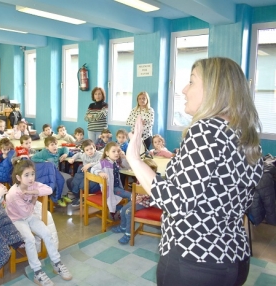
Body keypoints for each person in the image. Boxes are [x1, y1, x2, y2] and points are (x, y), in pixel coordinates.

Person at [126, 57, 264, 286]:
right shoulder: (244, 134)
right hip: (234, 256)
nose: (183, 89)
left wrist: (134, 158)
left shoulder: (206, 129)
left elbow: (175, 202)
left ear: (214, 89)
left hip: (195, 260)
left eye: (191, 82)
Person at [6, 160, 72, 285]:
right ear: (18, 178)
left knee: (47, 233)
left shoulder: (32, 185)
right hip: (16, 220)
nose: (31, 178)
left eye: (32, 174)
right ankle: (37, 272)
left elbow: (49, 190)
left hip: (29, 216)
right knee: (30, 239)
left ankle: (57, 263)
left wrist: (33, 193)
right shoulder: (13, 193)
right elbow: (25, 212)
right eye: (27, 175)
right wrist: (34, 200)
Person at [112, 158, 158, 245]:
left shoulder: (153, 181)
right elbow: (136, 189)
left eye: (151, 171)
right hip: (137, 200)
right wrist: (135, 196)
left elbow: (150, 195)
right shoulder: (140, 178)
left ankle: (128, 234)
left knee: (129, 212)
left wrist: (139, 197)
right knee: (123, 210)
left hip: (145, 203)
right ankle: (123, 227)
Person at [90, 142, 130, 217]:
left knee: (128, 196)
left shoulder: (115, 162)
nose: (116, 153)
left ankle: (118, 211)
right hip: (111, 189)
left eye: (118, 151)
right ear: (107, 153)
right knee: (132, 196)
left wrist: (124, 157)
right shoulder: (104, 162)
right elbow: (93, 169)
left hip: (117, 187)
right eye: (113, 151)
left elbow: (127, 167)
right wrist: (100, 173)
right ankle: (123, 212)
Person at [31, 136, 72, 207]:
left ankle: (63, 195)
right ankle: (58, 198)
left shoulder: (58, 151)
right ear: (47, 147)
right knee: (60, 180)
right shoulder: (43, 153)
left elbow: (65, 148)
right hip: (49, 174)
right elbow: (33, 158)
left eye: (56, 144)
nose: (54, 146)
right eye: (52, 145)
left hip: (56, 171)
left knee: (68, 177)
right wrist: (44, 161)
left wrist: (65, 154)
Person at [66, 139, 102, 207]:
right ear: (84, 151)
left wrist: (90, 164)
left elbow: (102, 162)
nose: (90, 151)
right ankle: (79, 197)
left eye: (91, 148)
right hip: (84, 174)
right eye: (87, 150)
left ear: (95, 148)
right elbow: (78, 154)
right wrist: (73, 158)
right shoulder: (84, 155)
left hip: (95, 177)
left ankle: (80, 197)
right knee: (70, 181)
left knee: (82, 186)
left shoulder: (99, 155)